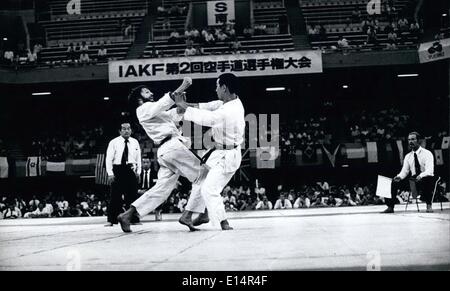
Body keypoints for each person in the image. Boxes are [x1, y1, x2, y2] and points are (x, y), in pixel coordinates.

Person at [117, 85, 206, 233]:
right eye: (146, 92)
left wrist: (181, 104)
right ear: (139, 99)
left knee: (161, 190)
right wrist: (183, 85)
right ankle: (192, 214)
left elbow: (174, 114)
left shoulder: (155, 112)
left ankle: (127, 215)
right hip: (172, 147)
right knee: (204, 175)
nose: (151, 92)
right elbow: (163, 103)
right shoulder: (143, 109)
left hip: (167, 150)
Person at [174, 73, 246, 231]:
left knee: (209, 188)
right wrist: (185, 104)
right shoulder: (227, 102)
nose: (215, 89)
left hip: (229, 156)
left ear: (224, 88)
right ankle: (190, 214)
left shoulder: (230, 110)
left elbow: (209, 118)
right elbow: (207, 106)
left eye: (217, 86)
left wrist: (183, 106)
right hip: (218, 153)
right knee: (201, 180)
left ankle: (223, 221)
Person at [381, 132, 435, 213]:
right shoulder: (408, 156)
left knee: (427, 179)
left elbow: (430, 170)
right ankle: (390, 207)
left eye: (413, 139)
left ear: (418, 141)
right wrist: (399, 177)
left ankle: (429, 205)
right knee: (392, 181)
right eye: (409, 140)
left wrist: (421, 176)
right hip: (413, 180)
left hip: (425, 177)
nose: (410, 141)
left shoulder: (427, 153)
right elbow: (404, 171)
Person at [105, 122, 142, 226]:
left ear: (131, 130)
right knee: (115, 196)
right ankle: (112, 220)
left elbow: (138, 158)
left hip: (131, 168)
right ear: (120, 131)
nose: (127, 131)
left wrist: (138, 171)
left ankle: (134, 219)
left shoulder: (135, 142)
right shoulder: (114, 142)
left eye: (128, 129)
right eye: (124, 129)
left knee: (132, 196)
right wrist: (110, 173)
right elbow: (109, 158)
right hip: (117, 169)